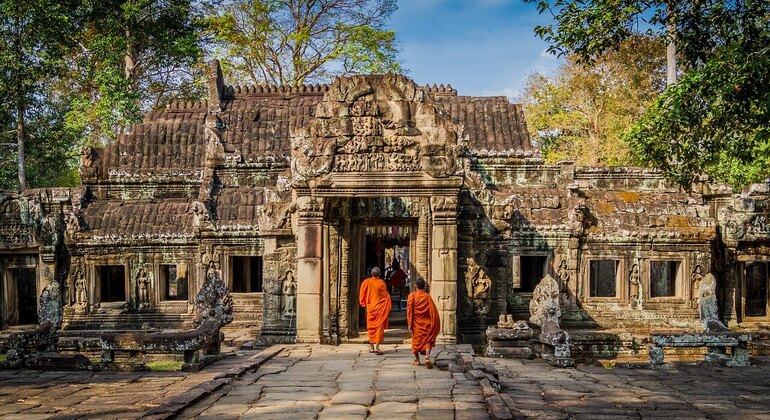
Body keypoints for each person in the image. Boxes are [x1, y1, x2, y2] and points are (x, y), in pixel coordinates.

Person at [407, 278, 440, 368]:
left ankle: (417, 360)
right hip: (427, 322)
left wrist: (409, 324)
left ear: (415, 286)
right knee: (427, 339)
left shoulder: (412, 296)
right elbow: (433, 311)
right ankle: (427, 356)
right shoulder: (427, 297)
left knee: (416, 341)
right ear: (424, 287)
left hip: (416, 323)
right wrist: (434, 322)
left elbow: (410, 311)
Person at [359, 267, 392, 355]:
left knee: (371, 327)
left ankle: (371, 346)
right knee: (379, 328)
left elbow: (362, 293)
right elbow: (385, 296)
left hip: (371, 308)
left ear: (371, 274)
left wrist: (362, 302)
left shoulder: (366, 282)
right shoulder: (381, 283)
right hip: (380, 308)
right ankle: (377, 347)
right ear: (379, 274)